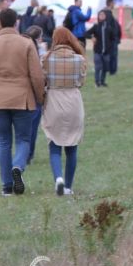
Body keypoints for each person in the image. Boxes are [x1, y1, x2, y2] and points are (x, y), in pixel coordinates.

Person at [0, 8, 46, 196]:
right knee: (23, 139)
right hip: (22, 99)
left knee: (3, 142)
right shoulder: (26, 44)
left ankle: (6, 186)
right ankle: (18, 166)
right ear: (16, 22)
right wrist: (41, 98)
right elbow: (37, 76)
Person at [41, 27, 87, 196]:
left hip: (54, 100)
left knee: (54, 143)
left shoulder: (46, 58)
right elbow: (81, 81)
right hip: (74, 101)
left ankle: (58, 178)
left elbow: (42, 80)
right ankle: (68, 186)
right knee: (72, 145)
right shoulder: (79, 59)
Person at [22, 26, 45, 165]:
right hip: (33, 93)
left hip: (19, 92)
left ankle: (23, 152)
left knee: (21, 126)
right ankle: (28, 153)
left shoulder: (19, 47)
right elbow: (39, 76)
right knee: (32, 126)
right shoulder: (37, 52)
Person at [85, 10, 116, 87]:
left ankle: (102, 81)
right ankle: (97, 82)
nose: (101, 16)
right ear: (98, 16)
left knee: (105, 68)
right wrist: (92, 37)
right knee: (98, 67)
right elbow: (86, 33)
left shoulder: (109, 27)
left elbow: (113, 38)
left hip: (106, 52)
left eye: (103, 15)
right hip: (97, 51)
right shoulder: (96, 26)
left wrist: (110, 47)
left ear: (105, 16)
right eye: (100, 15)